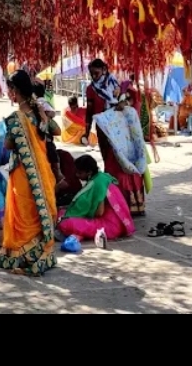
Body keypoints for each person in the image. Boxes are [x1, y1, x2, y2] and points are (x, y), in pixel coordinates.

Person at [0, 70, 57, 276]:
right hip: (42, 171)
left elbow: (7, 145)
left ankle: (22, 254)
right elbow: (55, 130)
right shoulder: (38, 112)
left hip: (23, 173)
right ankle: (40, 252)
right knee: (35, 209)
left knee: (23, 210)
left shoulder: (16, 119)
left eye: (9, 89)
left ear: (14, 90)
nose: (9, 93)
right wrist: (43, 115)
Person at [84, 59, 148, 216]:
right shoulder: (91, 90)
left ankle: (133, 205)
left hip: (122, 130)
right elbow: (90, 111)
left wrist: (124, 103)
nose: (94, 76)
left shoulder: (118, 84)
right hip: (104, 131)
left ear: (105, 69)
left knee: (126, 162)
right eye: (91, 74)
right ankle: (117, 203)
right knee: (111, 163)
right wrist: (86, 132)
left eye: (96, 73)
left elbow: (134, 100)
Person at [56, 154, 135, 244]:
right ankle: (77, 235)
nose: (77, 175)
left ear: (89, 172)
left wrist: (85, 211)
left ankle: (77, 235)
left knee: (65, 223)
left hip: (110, 226)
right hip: (117, 222)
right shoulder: (101, 177)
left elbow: (99, 213)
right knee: (62, 213)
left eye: (80, 173)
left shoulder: (98, 184)